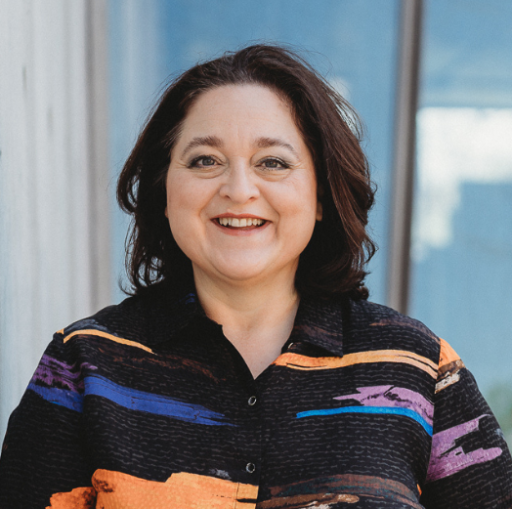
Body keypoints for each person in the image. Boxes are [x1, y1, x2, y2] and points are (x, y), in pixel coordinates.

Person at [0, 44, 511, 508]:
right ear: (164, 192)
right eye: (205, 160)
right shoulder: (83, 365)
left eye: (273, 162)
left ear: (320, 196)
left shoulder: (417, 367)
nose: (239, 189)